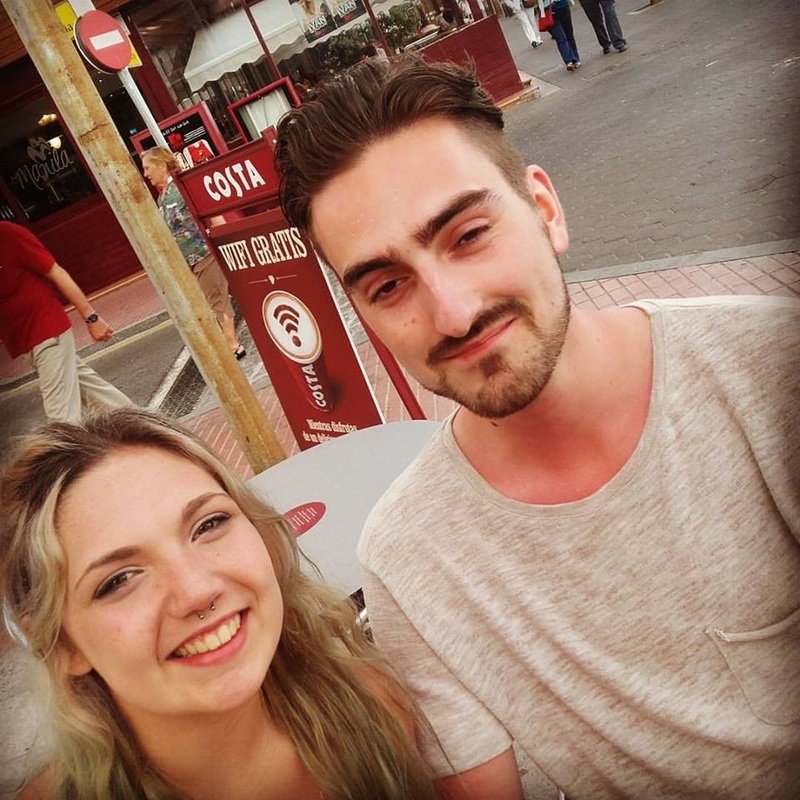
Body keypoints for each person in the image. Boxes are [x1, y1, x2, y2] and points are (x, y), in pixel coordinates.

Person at [273, 57, 800, 800]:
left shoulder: (769, 370)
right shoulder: (412, 561)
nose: (454, 313)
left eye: (468, 235)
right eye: (388, 286)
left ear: (546, 210)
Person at [0, 407, 439, 800]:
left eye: (209, 524)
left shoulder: (376, 709)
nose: (197, 591)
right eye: (119, 580)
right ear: (62, 646)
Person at [0, 221, 132, 423]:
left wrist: (91, 318)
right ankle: (146, 426)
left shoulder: (7, 234)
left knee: (61, 418)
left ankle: (65, 449)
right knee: (99, 396)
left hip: (46, 331)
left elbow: (56, 272)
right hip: (24, 342)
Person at [141, 147, 246, 360]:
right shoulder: (162, 197)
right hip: (188, 261)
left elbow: (210, 214)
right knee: (214, 299)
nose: (145, 174)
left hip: (204, 254)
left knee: (217, 299)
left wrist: (223, 239)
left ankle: (233, 346)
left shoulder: (181, 188)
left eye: (148, 168)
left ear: (161, 165)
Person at [549, 0, 581, 70]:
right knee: (560, 38)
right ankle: (569, 61)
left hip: (562, 7)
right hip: (548, 12)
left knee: (569, 34)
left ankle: (575, 59)